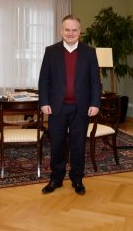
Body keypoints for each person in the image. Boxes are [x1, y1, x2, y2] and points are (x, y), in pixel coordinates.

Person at [38, 15, 101, 195]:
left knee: (78, 145)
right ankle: (56, 179)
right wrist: (44, 102)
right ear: (61, 30)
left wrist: (95, 103)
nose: (71, 33)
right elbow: (44, 80)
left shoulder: (89, 52)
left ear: (80, 32)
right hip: (57, 108)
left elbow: (95, 81)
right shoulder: (51, 51)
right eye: (67, 30)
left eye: (74, 30)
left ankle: (77, 179)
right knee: (57, 144)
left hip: (81, 108)